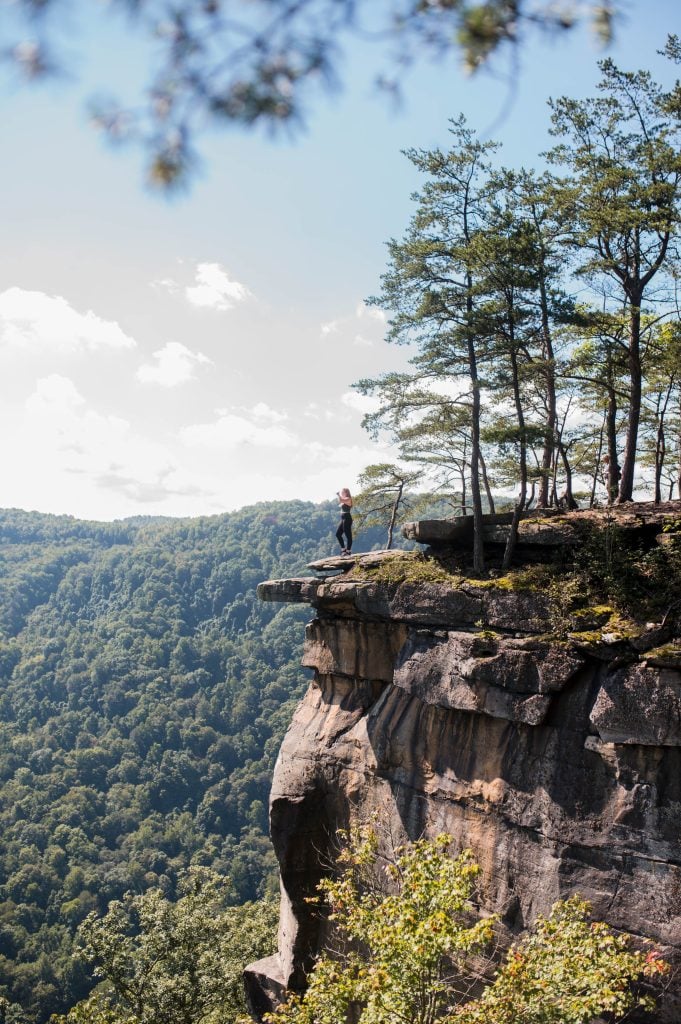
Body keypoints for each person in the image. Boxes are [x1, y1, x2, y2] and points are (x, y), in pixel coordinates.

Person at [335, 488, 353, 555]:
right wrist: (339, 496)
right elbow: (340, 501)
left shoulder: (348, 499)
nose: (341, 493)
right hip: (343, 518)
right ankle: (343, 549)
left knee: (348, 536)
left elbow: (341, 500)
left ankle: (348, 551)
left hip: (347, 518)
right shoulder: (344, 500)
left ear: (346, 493)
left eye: (343, 492)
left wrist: (338, 495)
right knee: (338, 534)